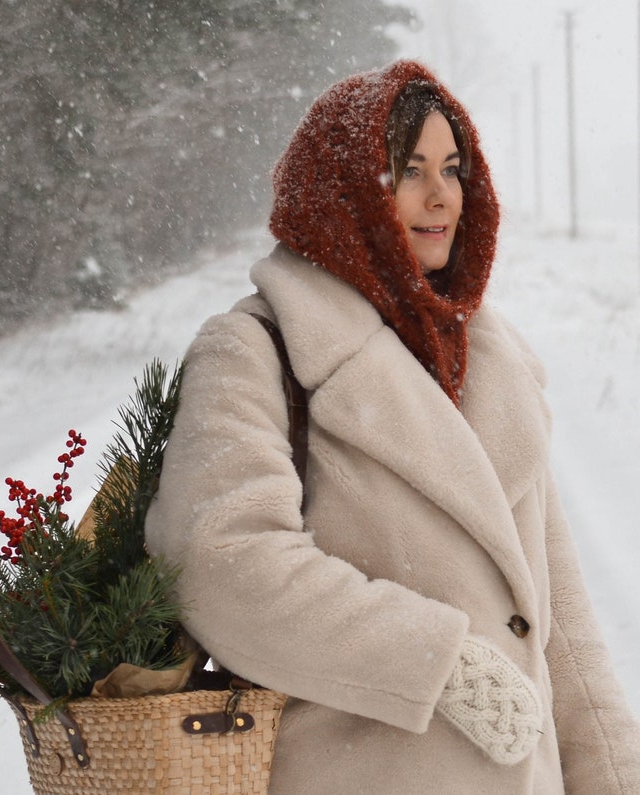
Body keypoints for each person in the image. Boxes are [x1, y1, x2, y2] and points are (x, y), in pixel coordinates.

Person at [145, 59, 640, 793]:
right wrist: (440, 663)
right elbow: (220, 560)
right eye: (408, 171)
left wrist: (613, 770)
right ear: (344, 191)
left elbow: (557, 617)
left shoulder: (489, 359)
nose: (442, 196)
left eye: (452, 168)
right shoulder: (259, 348)